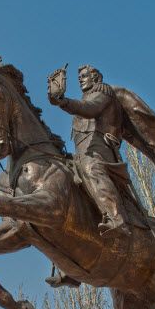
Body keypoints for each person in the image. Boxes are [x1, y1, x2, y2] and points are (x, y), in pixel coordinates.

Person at [48, 65, 132, 237]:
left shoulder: (104, 91)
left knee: (90, 168)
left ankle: (117, 219)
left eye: (84, 76)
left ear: (96, 78)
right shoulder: (84, 99)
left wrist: (63, 101)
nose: (81, 80)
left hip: (101, 151)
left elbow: (90, 108)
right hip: (84, 154)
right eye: (79, 78)